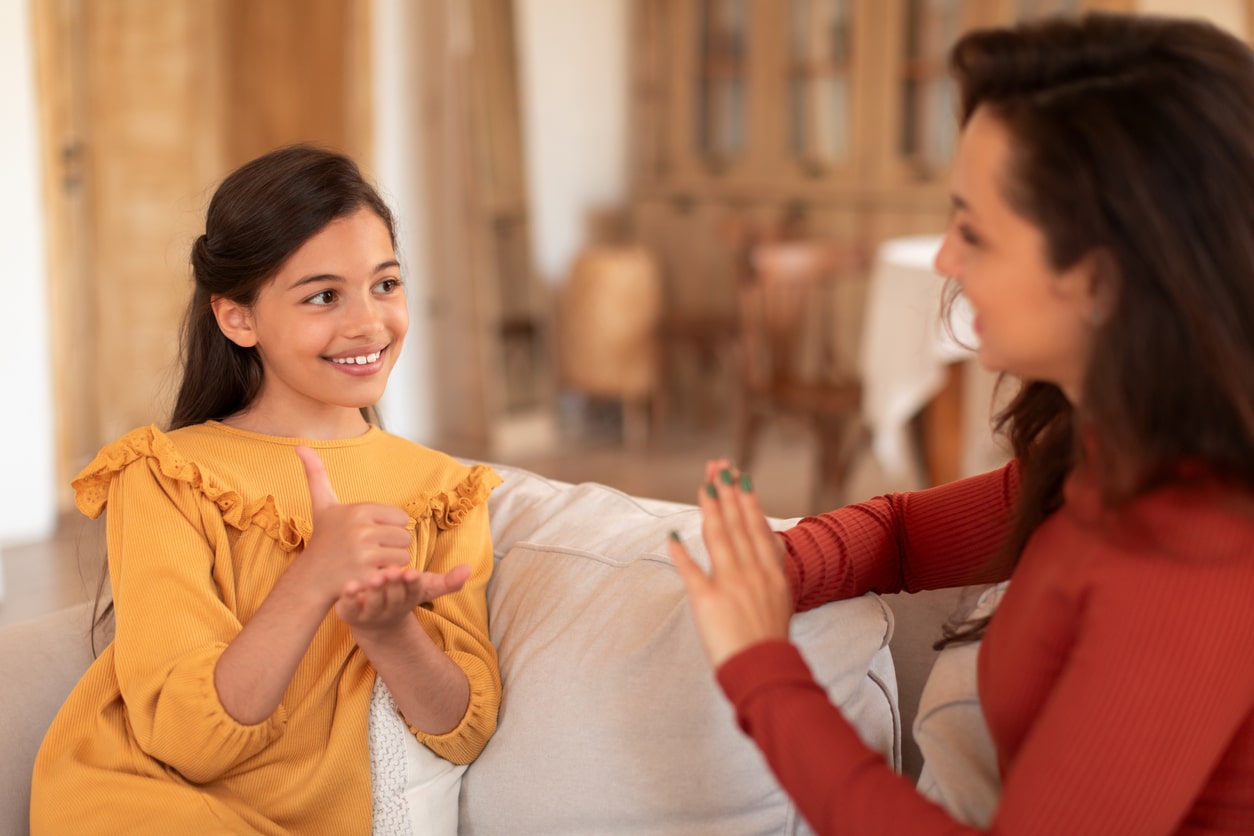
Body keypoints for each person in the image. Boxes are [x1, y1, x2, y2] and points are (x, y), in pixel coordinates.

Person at [669, 12, 1254, 835]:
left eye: (973, 230)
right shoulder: (1100, 458)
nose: (944, 259)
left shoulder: (1195, 553)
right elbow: (906, 532)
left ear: (1101, 280)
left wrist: (760, 668)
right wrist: (777, 566)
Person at [30, 145, 502, 834]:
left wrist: (389, 633)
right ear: (237, 318)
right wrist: (314, 578)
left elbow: (463, 731)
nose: (368, 322)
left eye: (386, 284)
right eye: (322, 296)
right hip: (142, 801)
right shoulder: (164, 474)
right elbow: (187, 742)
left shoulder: (444, 492)